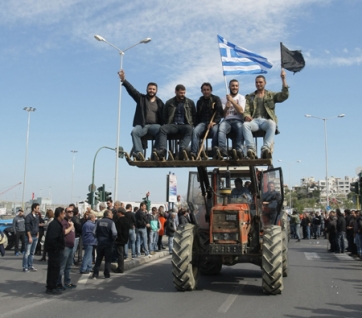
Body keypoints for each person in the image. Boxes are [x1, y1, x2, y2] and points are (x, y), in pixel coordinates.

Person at [118, 69, 164, 161]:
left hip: (154, 126)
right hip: (143, 125)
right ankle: (139, 153)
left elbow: (165, 115)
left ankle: (155, 153)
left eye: (153, 89)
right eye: (150, 89)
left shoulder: (160, 103)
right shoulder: (141, 98)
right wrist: (124, 80)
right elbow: (132, 91)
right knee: (134, 132)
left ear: (156, 91)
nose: (151, 90)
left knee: (161, 130)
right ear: (147, 89)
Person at [242, 69, 289, 159]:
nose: (258, 84)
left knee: (272, 123)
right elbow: (246, 109)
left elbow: (284, 95)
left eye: (260, 82)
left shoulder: (271, 95)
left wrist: (283, 79)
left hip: (265, 121)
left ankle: (266, 149)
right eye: (257, 82)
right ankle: (251, 149)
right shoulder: (250, 97)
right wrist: (246, 116)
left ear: (265, 83)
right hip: (254, 121)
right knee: (245, 125)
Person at [153, 84, 196, 160]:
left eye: (184, 93)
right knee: (162, 129)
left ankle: (182, 149)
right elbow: (164, 115)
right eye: (180, 93)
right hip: (173, 125)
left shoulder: (190, 102)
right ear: (175, 92)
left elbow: (194, 115)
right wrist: (167, 123)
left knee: (190, 129)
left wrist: (192, 124)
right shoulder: (169, 102)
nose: (182, 95)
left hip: (185, 125)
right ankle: (162, 150)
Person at [189, 83, 223, 160]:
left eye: (208, 90)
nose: (206, 91)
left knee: (215, 131)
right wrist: (197, 124)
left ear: (211, 90)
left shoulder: (216, 99)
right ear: (201, 91)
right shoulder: (199, 101)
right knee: (195, 131)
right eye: (204, 90)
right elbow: (197, 115)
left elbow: (219, 112)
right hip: (203, 122)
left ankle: (215, 153)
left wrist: (215, 122)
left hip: (213, 122)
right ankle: (194, 153)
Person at [214, 79, 246, 159]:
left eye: (236, 86)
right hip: (227, 120)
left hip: (237, 120)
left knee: (240, 128)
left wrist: (232, 101)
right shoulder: (223, 99)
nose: (234, 87)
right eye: (233, 86)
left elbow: (241, 111)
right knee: (221, 128)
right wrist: (226, 108)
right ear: (229, 87)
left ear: (238, 87)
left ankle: (239, 150)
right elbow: (223, 115)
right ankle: (222, 150)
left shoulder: (241, 98)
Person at [44, 207, 65, 295]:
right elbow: (52, 239)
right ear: (60, 214)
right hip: (54, 251)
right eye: (63, 213)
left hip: (55, 250)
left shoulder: (56, 223)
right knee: (54, 269)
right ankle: (51, 287)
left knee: (55, 269)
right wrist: (57, 247)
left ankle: (52, 286)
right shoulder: (55, 224)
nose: (64, 215)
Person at [92, 210, 117, 279]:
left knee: (98, 259)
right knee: (108, 259)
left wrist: (98, 237)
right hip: (108, 243)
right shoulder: (111, 222)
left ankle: (95, 274)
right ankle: (106, 274)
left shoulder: (98, 222)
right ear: (108, 215)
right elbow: (114, 233)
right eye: (111, 214)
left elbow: (94, 232)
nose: (112, 215)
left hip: (100, 242)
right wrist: (113, 239)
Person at [57, 207, 76, 290]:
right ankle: (58, 283)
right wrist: (71, 226)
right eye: (69, 211)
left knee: (69, 266)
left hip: (71, 246)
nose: (71, 213)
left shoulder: (71, 222)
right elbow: (64, 232)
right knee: (62, 267)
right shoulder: (64, 222)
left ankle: (67, 282)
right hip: (65, 247)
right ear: (65, 212)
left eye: (72, 211)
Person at [23, 203, 40, 272]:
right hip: (30, 236)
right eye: (38, 208)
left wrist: (38, 233)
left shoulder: (37, 216)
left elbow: (37, 226)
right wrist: (29, 237)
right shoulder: (28, 217)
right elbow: (27, 228)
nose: (39, 209)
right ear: (34, 208)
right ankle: (25, 267)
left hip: (35, 236)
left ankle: (30, 265)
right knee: (27, 252)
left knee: (32, 252)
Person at [114, 207, 130, 273]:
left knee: (120, 254)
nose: (117, 213)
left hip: (119, 239)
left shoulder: (119, 221)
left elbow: (118, 231)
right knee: (122, 253)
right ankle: (121, 267)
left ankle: (120, 268)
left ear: (120, 213)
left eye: (118, 212)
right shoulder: (126, 220)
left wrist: (116, 238)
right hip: (125, 238)